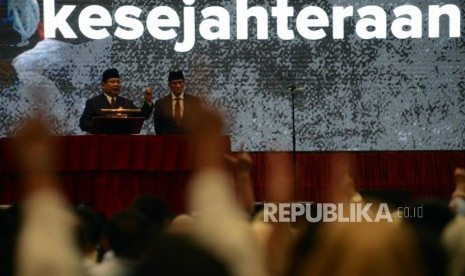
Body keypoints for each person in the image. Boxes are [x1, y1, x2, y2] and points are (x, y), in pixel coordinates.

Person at [79, 68, 154, 133]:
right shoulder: (93, 103)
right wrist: (102, 127)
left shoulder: (127, 103)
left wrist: (148, 102)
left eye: (118, 82)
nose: (116, 84)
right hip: (101, 143)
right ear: (103, 85)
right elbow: (83, 123)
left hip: (123, 144)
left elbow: (143, 116)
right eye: (112, 82)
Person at [153, 70, 202, 135]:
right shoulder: (161, 103)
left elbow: (199, 125)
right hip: (168, 142)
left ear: (184, 83)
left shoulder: (195, 102)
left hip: (190, 142)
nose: (178, 86)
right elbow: (158, 129)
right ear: (169, 85)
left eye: (180, 82)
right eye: (174, 83)